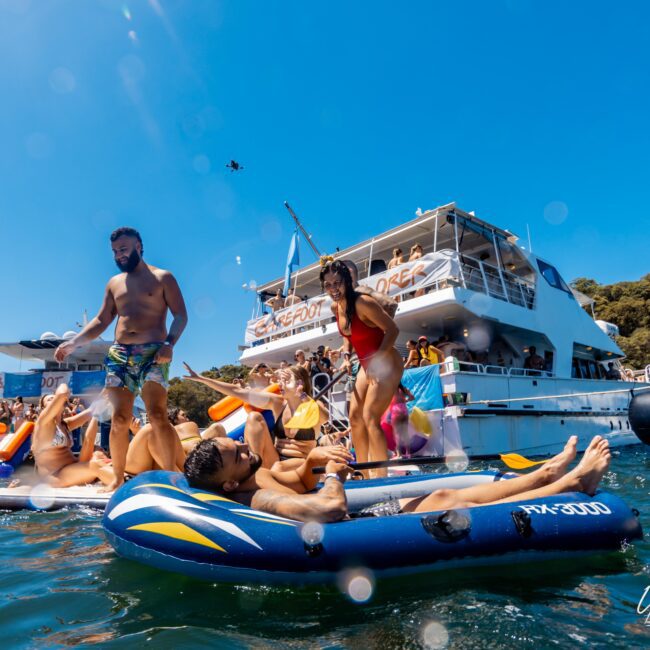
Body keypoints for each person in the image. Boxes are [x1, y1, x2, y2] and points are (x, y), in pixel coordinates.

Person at [184, 435, 612, 524]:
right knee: (448, 503)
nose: (243, 448)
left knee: (443, 490)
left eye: (234, 443)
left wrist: (316, 460)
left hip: (367, 515)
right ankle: (569, 486)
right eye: (235, 456)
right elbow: (328, 508)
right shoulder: (257, 501)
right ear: (227, 485)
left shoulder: (260, 475)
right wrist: (333, 478)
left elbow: (297, 480)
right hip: (355, 531)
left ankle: (545, 473)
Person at [53, 226, 188, 492]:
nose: (119, 256)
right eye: (115, 252)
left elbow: (181, 315)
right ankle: (116, 478)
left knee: (158, 414)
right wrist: (73, 343)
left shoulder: (163, 278)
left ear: (139, 246)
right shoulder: (114, 283)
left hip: (154, 352)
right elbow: (102, 320)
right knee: (119, 418)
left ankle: (172, 476)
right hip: (120, 353)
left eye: (123, 250)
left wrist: (170, 344)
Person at [321, 259, 403, 477]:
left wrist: (378, 359)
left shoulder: (363, 302)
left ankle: (380, 478)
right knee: (355, 418)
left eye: (337, 283)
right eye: (328, 285)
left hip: (386, 361)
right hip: (366, 364)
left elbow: (393, 330)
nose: (333, 289)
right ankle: (364, 475)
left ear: (346, 281)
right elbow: (348, 334)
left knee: (369, 417)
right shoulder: (335, 307)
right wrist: (346, 355)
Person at [182, 362, 328, 470]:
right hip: (275, 459)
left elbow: (324, 418)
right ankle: (252, 468)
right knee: (253, 417)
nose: (281, 384)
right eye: (281, 380)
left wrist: (301, 394)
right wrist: (202, 379)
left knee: (278, 468)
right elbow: (237, 391)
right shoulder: (277, 403)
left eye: (286, 381)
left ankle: (261, 476)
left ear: (299, 383)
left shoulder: (312, 404)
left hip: (301, 463)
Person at [30, 383, 114, 488]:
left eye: (53, 398)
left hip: (71, 468)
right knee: (95, 466)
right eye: (50, 399)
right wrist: (63, 385)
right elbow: (62, 393)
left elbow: (93, 409)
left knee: (97, 455)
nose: (54, 400)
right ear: (44, 408)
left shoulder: (65, 424)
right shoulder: (43, 422)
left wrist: (108, 388)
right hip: (55, 476)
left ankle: (125, 476)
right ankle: (126, 482)